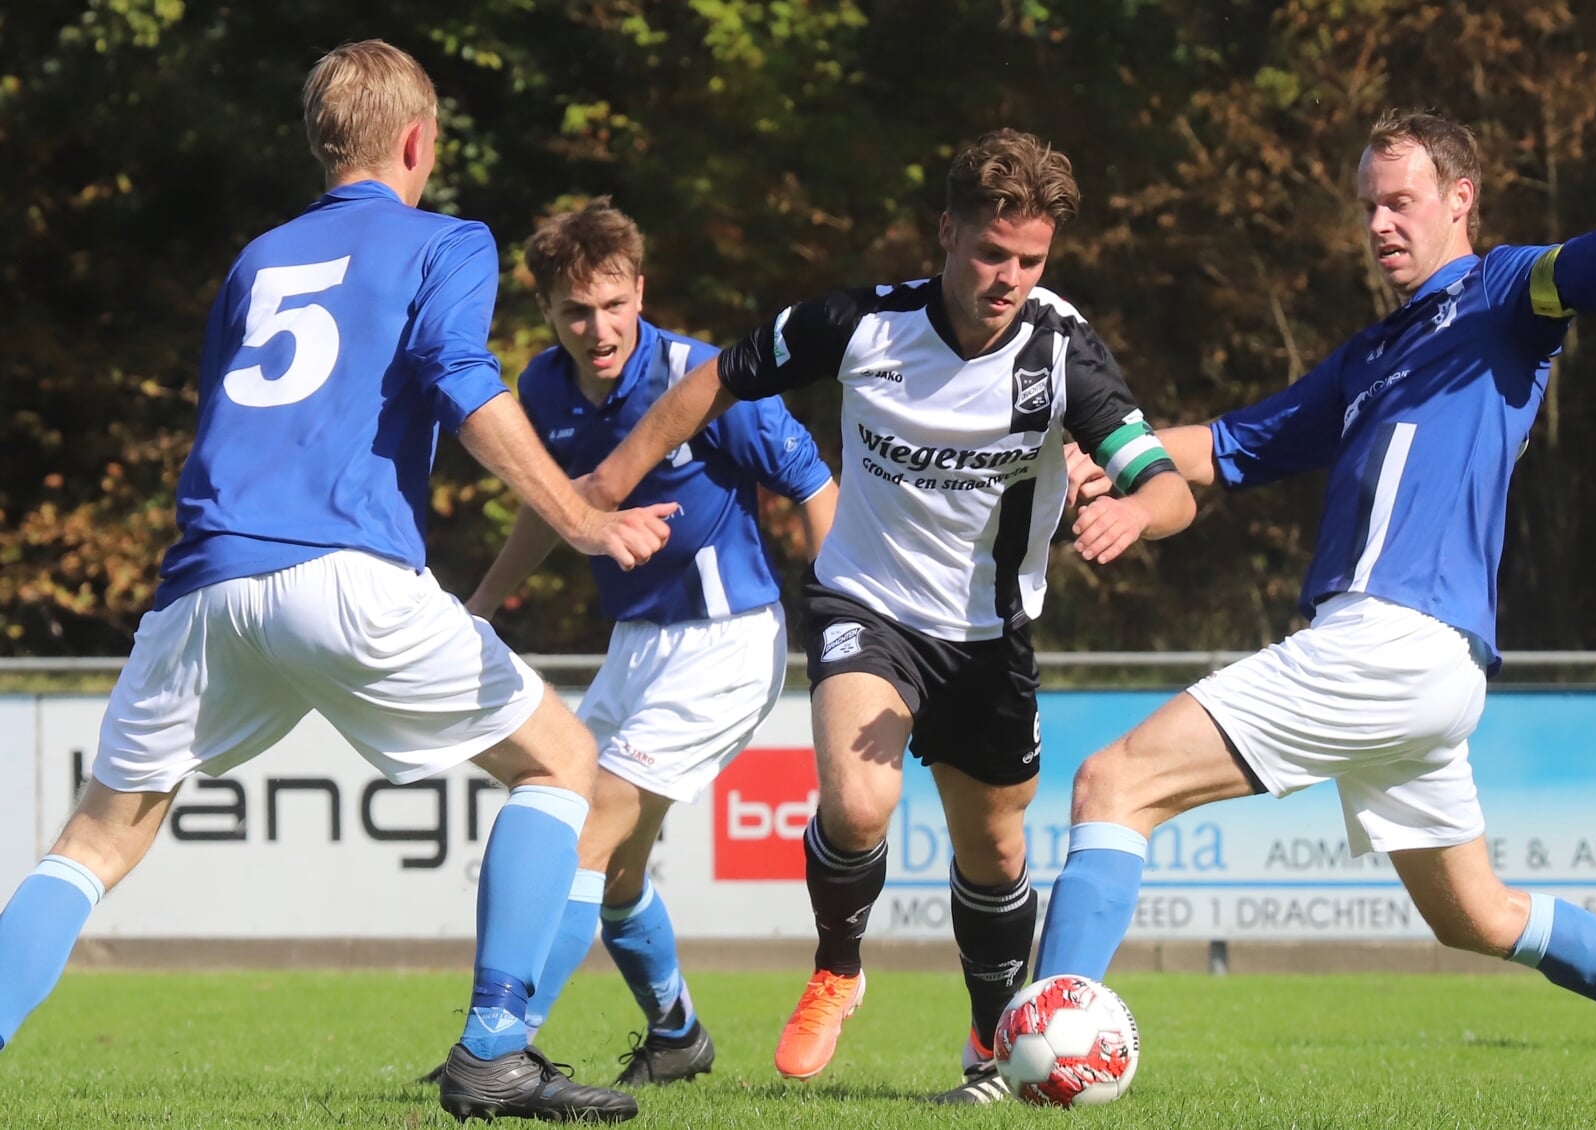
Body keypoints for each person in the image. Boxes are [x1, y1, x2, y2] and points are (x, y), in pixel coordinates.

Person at [1036, 53, 1596, 1096]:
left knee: (1111, 782)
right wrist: (1104, 446)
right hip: (1423, 670)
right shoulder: (1369, 355)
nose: (1380, 224)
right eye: (1369, 206)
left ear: (1462, 200)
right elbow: (1223, 444)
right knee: (1476, 913)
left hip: (1387, 641)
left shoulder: (1506, 295)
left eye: (1400, 201)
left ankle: (1029, 1061)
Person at [0, 41, 655, 1124]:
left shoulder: (258, 257)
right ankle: (495, 1046)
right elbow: (458, 379)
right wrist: (579, 514)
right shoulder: (448, 238)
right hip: (342, 568)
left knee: (94, 840)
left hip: (204, 582)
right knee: (563, 761)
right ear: (415, 141)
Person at [575, 128, 1197, 1102]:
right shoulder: (859, 323)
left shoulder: (1062, 349)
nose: (1007, 277)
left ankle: (994, 1040)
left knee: (993, 849)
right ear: (946, 232)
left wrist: (1132, 507)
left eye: (1029, 260)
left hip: (989, 633)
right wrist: (606, 484)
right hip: (866, 598)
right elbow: (713, 375)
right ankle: (838, 965)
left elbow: (1168, 484)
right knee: (857, 805)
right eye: (991, 252)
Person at [422, 198, 837, 1087]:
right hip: (636, 645)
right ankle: (678, 1034)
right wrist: (488, 598)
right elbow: (559, 504)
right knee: (613, 870)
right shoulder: (538, 387)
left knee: (587, 825)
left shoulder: (702, 377)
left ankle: (496, 1047)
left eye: (615, 305)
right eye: (577, 311)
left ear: (640, 291)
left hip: (727, 644)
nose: (599, 328)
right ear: (548, 313)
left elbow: (812, 482)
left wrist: (845, 617)